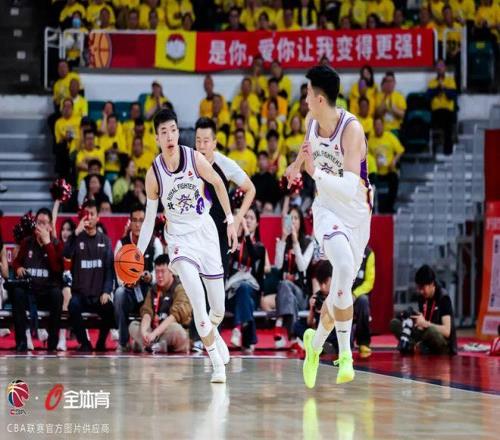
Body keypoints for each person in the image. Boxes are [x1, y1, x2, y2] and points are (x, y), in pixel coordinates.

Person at [286, 65, 373, 387]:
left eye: (308, 92)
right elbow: (306, 149)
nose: (305, 98)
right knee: (345, 267)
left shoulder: (351, 130)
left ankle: (315, 345)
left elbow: (350, 187)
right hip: (326, 209)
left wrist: (314, 173)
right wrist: (296, 166)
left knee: (341, 286)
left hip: (356, 213)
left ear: (320, 98)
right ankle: (346, 355)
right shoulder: (313, 122)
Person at [137, 108, 238, 383]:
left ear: (178, 132)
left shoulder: (194, 158)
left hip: (205, 233)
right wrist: (138, 253)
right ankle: (216, 363)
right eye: (164, 132)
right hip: (179, 242)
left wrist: (230, 221)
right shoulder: (154, 174)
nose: (170, 136)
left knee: (218, 309)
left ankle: (213, 334)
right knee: (197, 301)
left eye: (173, 130)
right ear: (157, 138)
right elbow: (149, 220)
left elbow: (218, 184)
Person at [195, 117, 255, 274]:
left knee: (218, 282)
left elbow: (251, 189)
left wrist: (237, 219)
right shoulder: (189, 162)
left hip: (220, 233)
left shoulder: (225, 164)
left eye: (206, 141)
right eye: (198, 141)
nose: (201, 146)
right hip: (196, 233)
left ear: (214, 143)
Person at [65, 200, 115, 352]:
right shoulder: (76, 238)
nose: (89, 217)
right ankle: (84, 342)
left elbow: (109, 270)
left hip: (99, 295)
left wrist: (106, 291)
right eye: (86, 214)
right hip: (80, 294)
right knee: (72, 306)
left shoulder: (105, 241)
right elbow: (66, 254)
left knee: (110, 309)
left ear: (98, 217)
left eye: (92, 214)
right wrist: (75, 233)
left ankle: (101, 342)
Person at [11, 208, 63, 352]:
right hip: (30, 292)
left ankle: (52, 343)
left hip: (47, 292)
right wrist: (18, 268)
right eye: (38, 222)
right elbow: (16, 262)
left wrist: (47, 244)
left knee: (57, 294)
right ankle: (21, 342)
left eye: (44, 223)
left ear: (50, 226)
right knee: (17, 293)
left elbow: (57, 269)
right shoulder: (27, 242)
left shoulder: (56, 244)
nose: (40, 226)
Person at [114, 204, 163, 352]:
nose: (137, 224)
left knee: (157, 292)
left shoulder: (155, 242)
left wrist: (151, 277)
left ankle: (153, 339)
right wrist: (129, 280)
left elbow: (161, 272)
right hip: (130, 292)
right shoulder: (121, 244)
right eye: (134, 220)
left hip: (149, 291)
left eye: (141, 220)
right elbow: (118, 276)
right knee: (119, 293)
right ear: (130, 222)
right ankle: (123, 342)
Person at [227, 206, 270, 352]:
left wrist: (245, 232)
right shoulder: (233, 242)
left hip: (252, 292)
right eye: (246, 217)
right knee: (244, 294)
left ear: (257, 223)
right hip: (232, 293)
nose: (248, 221)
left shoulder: (260, 247)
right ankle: (249, 337)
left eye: (252, 218)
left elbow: (253, 254)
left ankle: (237, 328)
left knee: (245, 288)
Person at [129, 254, 192, 353]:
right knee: (133, 325)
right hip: (155, 333)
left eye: (163, 271)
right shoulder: (153, 289)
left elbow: (174, 316)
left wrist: (154, 334)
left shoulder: (180, 288)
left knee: (177, 330)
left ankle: (148, 346)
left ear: (171, 271)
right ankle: (155, 346)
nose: (159, 275)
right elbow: (147, 312)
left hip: (167, 331)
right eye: (157, 272)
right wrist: (144, 332)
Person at [390, 265, 457, 355]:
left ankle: (416, 346)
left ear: (432, 284)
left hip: (441, 341)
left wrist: (426, 323)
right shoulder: (422, 297)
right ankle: (412, 345)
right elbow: (422, 319)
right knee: (394, 323)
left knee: (431, 331)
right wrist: (413, 319)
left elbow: (447, 331)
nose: (421, 291)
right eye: (419, 288)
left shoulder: (443, 298)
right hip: (425, 334)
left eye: (423, 288)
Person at [274, 206, 314, 348]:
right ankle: (294, 337)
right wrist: (284, 238)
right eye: (290, 218)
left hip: (301, 294)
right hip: (286, 295)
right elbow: (278, 265)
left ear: (301, 221)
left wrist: (296, 242)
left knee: (285, 285)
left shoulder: (308, 243)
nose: (293, 221)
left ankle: (280, 323)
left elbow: (302, 266)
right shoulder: (282, 241)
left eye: (296, 218)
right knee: (285, 287)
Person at [368, 117, 404, 213]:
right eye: (376, 125)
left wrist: (394, 161)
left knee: (394, 179)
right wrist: (374, 163)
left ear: (383, 126)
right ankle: (372, 209)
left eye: (380, 125)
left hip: (389, 170)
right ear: (373, 127)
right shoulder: (370, 141)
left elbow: (400, 150)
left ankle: (389, 207)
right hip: (377, 171)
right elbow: (368, 157)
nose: (378, 127)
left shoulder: (390, 136)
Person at [427, 59, 457, 155]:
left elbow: (452, 96)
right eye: (438, 66)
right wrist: (438, 88)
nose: (440, 68)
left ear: (445, 68)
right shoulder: (432, 82)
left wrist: (444, 88)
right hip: (436, 111)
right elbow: (428, 96)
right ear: (436, 68)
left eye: (442, 66)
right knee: (435, 122)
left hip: (448, 110)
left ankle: (447, 151)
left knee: (448, 124)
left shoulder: (450, 80)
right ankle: (434, 151)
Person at [351, 245, 375, 357]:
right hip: (342, 292)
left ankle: (363, 342)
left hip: (357, 296)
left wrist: (354, 294)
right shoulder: (344, 248)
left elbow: (369, 282)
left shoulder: (369, 254)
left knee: (363, 301)